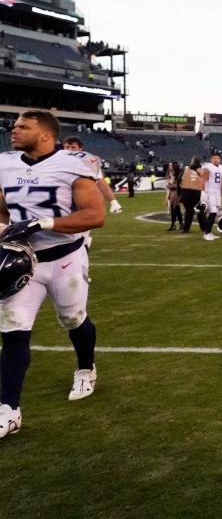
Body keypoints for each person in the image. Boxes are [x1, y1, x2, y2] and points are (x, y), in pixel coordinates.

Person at [0, 111, 106, 439]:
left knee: (73, 320)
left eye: (22, 126)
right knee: (13, 330)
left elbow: (95, 215)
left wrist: (43, 223)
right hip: (21, 259)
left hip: (65, 258)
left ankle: (86, 368)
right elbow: (2, 209)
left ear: (45, 134)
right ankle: (8, 409)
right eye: (15, 125)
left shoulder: (75, 163)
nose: (13, 130)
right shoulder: (5, 163)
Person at [61, 137, 123, 217]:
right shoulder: (54, 161)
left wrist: (113, 201)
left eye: (73, 147)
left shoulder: (88, 163)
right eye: (67, 147)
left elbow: (100, 182)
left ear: (80, 149)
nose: (69, 150)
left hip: (80, 202)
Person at [200, 152, 222, 241]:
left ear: (220, 159)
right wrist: (203, 193)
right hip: (209, 193)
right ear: (211, 159)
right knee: (212, 213)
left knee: (214, 214)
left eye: (217, 158)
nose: (216, 160)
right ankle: (206, 233)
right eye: (214, 158)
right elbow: (203, 179)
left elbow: (221, 180)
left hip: (217, 193)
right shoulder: (208, 167)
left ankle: (209, 232)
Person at [178, 157, 204, 233]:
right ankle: (204, 228)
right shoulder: (201, 171)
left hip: (186, 192)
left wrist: (179, 194)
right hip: (197, 193)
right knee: (200, 211)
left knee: (189, 211)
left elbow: (179, 181)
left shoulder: (185, 170)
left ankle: (186, 228)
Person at [165, 161, 183, 231]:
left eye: (171, 165)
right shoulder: (169, 173)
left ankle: (176, 224)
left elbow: (179, 185)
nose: (169, 167)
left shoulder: (178, 174)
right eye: (169, 165)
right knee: (173, 209)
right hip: (171, 192)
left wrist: (170, 186)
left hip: (176, 192)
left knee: (175, 208)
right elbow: (168, 183)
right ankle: (176, 224)